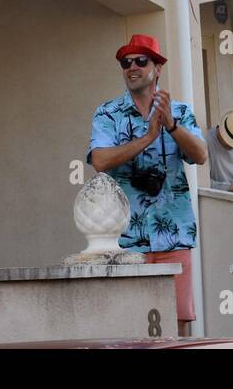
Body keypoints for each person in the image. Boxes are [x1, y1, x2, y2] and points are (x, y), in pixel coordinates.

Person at [87, 34, 207, 336]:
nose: (132, 67)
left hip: (174, 233)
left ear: (157, 68)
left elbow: (201, 155)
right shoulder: (108, 113)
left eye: (141, 60)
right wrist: (147, 139)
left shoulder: (179, 112)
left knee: (178, 323)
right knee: (131, 323)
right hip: (125, 239)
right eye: (126, 62)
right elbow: (100, 161)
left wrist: (171, 127)